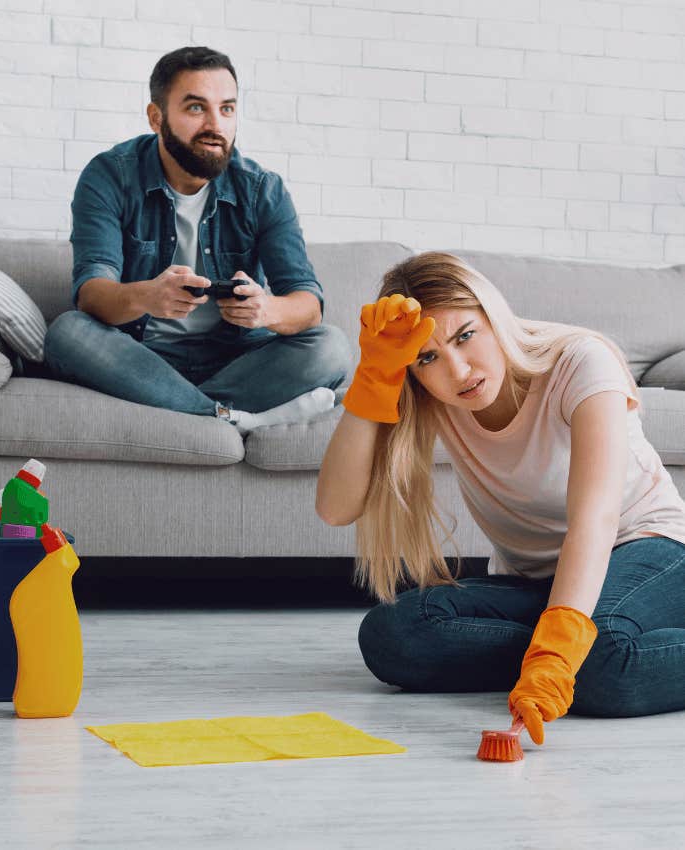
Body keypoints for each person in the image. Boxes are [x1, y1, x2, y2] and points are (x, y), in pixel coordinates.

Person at [316, 252, 685, 745]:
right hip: (539, 579)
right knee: (393, 635)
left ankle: (582, 650)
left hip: (646, 546)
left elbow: (596, 519)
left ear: (492, 315)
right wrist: (373, 376)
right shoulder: (433, 396)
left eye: (465, 335)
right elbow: (336, 508)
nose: (458, 369)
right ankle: (578, 644)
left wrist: (559, 653)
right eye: (427, 357)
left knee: (598, 670)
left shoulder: (581, 361)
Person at [44, 45, 350, 434]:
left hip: (238, 359)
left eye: (226, 109)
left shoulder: (262, 189)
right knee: (67, 333)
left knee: (332, 347)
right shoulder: (110, 176)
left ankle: (182, 407)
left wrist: (266, 310)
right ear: (157, 117)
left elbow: (307, 304)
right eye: (195, 108)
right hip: (140, 356)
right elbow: (91, 292)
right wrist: (146, 296)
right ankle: (229, 418)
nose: (215, 125)